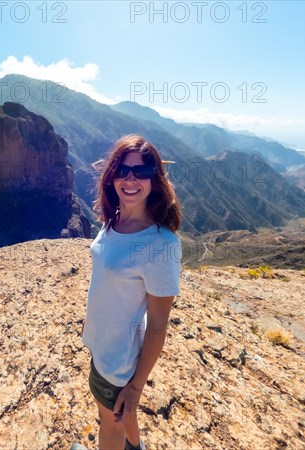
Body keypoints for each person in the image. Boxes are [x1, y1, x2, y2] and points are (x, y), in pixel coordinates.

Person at [81, 135, 182, 450]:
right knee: (121, 416)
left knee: (109, 424)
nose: (130, 179)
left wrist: (136, 387)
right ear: (112, 176)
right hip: (101, 343)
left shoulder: (161, 246)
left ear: (155, 178)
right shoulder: (113, 220)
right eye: (123, 170)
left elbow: (158, 324)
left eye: (141, 172)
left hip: (118, 361)